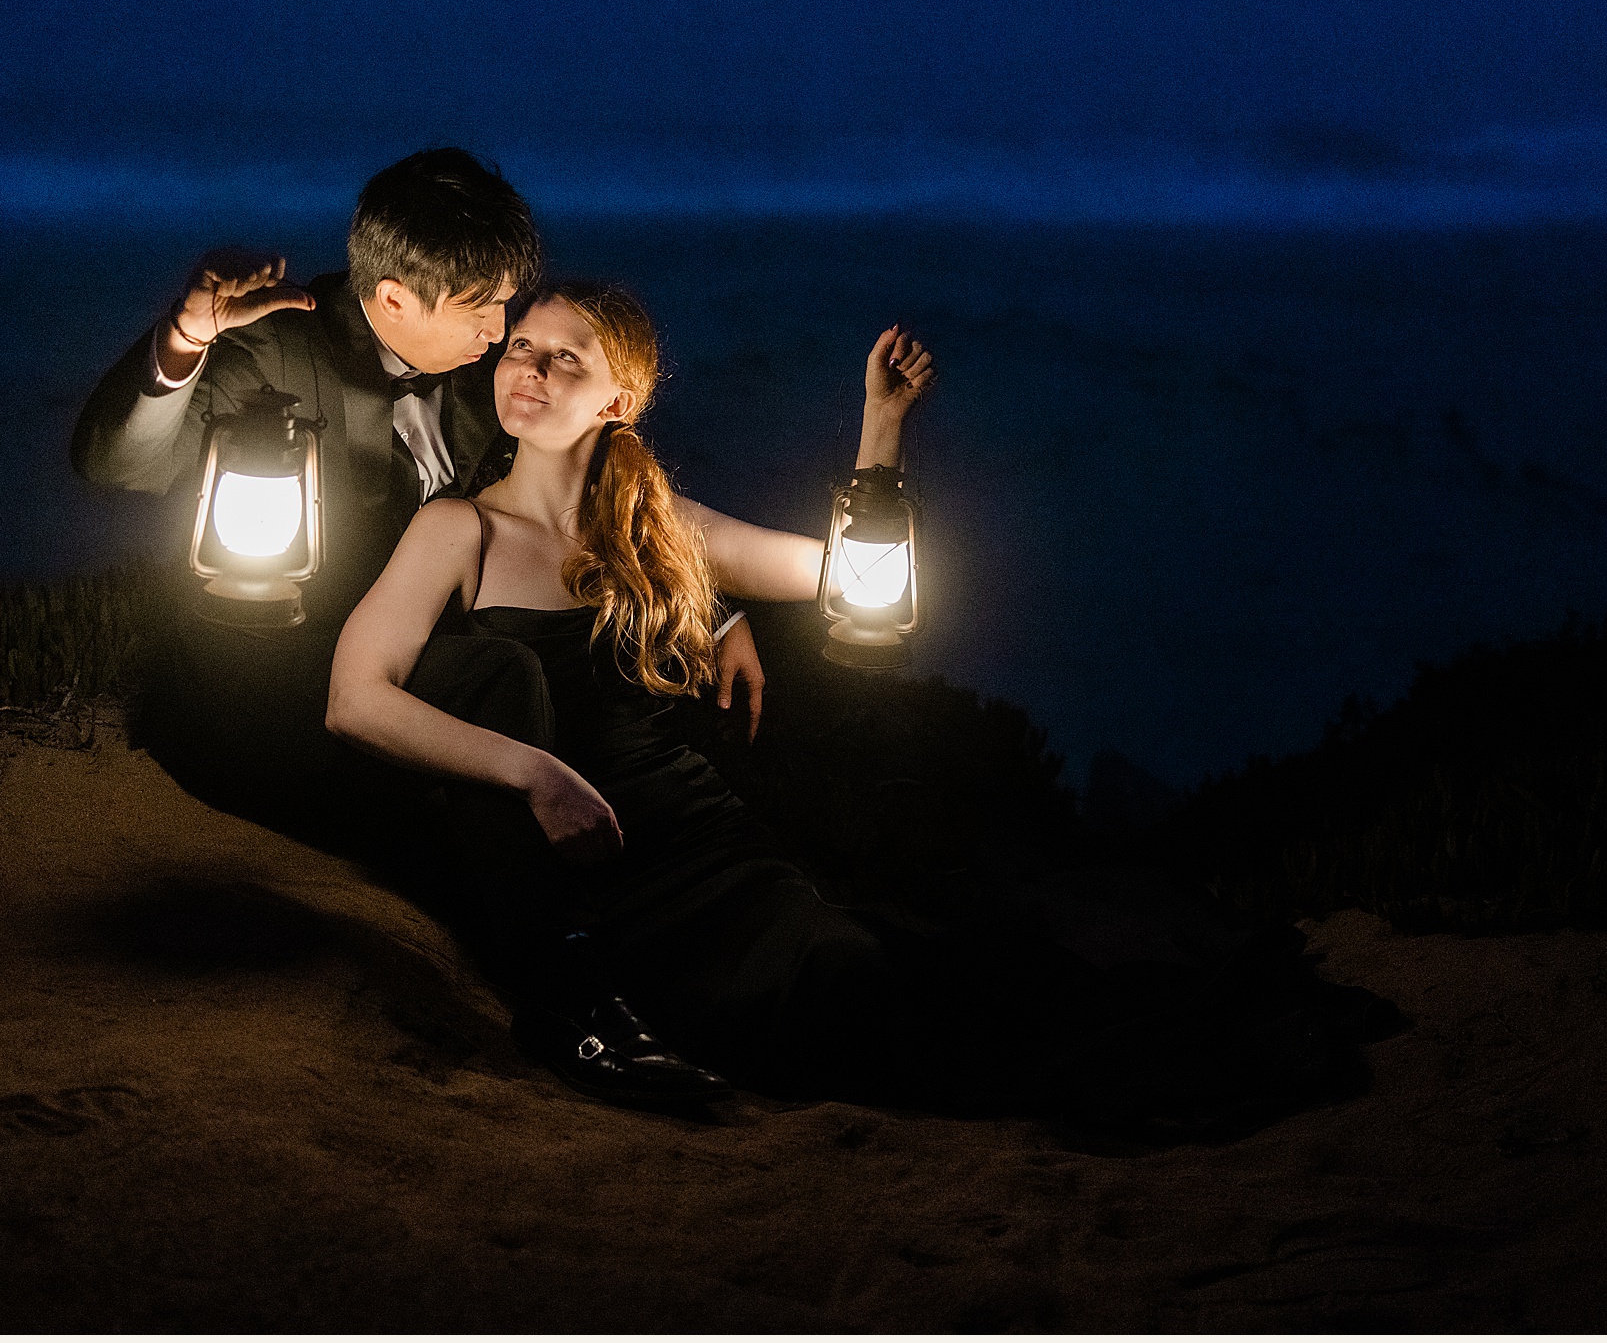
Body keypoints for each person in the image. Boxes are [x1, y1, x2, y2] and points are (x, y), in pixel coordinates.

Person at [328, 283, 1393, 1127]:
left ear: (616, 399)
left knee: (870, 972)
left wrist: (878, 429)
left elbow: (843, 573)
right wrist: (532, 769)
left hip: (705, 846)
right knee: (823, 1002)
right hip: (589, 870)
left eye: (569, 358)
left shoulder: (657, 524)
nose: (533, 368)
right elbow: (354, 697)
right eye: (523, 346)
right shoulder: (455, 530)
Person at [67, 148, 768, 877]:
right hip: (284, 680)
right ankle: (545, 936)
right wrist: (184, 341)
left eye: (507, 304)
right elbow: (117, 463)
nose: (501, 333)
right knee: (505, 676)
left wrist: (712, 606)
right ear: (396, 298)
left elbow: (572, 483)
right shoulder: (274, 351)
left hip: (423, 661)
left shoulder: (483, 374)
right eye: (481, 309)